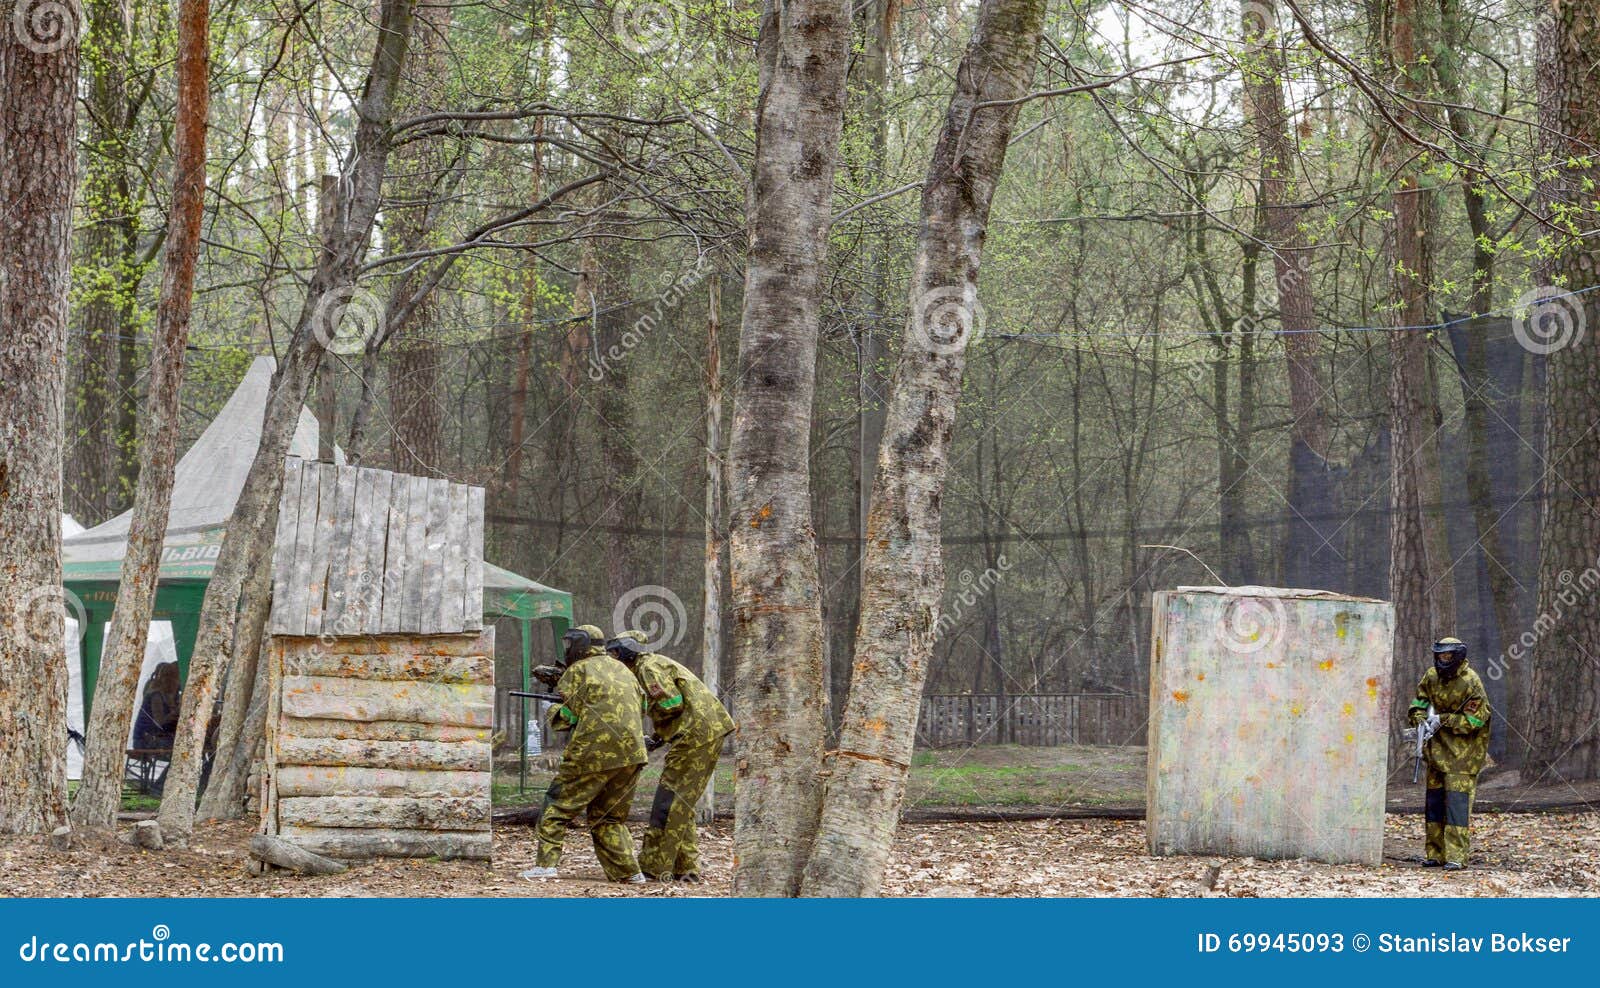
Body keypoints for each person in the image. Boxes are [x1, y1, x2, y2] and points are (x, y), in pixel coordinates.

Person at [606, 629, 735, 882]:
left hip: (695, 735)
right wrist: (656, 737)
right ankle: (684, 866)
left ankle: (656, 865)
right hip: (700, 733)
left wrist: (640, 708)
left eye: (615, 652)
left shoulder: (647, 668)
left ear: (627, 651)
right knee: (680, 801)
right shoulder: (651, 665)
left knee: (669, 800)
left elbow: (671, 704)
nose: (613, 658)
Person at [522, 624, 648, 883]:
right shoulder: (624, 670)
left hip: (591, 753)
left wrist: (551, 708)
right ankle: (629, 872)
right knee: (609, 816)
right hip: (632, 754)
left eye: (570, 644)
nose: (568, 650)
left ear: (580, 645)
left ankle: (545, 866)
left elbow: (566, 719)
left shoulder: (578, 671)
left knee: (556, 806)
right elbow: (642, 706)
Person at [1407, 636, 1491, 870]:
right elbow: (1418, 703)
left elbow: (1476, 719)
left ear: (1458, 657)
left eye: (1447, 656)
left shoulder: (1470, 682)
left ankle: (1456, 857)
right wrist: (1421, 720)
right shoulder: (1431, 676)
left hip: (1463, 757)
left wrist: (1443, 720)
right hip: (1436, 753)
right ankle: (1435, 854)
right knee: (1434, 806)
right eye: (1440, 655)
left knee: (1456, 807)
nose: (1443, 660)